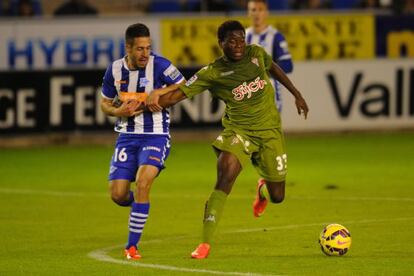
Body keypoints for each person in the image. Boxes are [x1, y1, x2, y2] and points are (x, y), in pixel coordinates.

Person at [146, 20, 309, 259]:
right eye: (231, 41)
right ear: (220, 43)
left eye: (241, 39)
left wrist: (297, 94)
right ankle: (205, 243)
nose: (238, 45)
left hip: (270, 132)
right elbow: (178, 95)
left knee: (278, 196)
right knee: (225, 173)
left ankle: (262, 189)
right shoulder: (213, 72)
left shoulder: (256, 54)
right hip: (239, 132)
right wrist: (146, 103)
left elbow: (273, 67)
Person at [100, 23, 185, 260]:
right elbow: (105, 103)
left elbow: (186, 84)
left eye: (148, 48)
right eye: (139, 49)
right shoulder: (114, 70)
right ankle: (139, 207)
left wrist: (160, 92)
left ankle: (131, 246)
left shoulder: (160, 65)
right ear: (128, 47)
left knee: (143, 182)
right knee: (118, 195)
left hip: (156, 135)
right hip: (127, 138)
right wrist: (119, 113)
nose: (145, 54)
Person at [246, 0, 293, 112]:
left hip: (270, 95)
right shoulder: (243, 37)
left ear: (266, 13)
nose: (257, 13)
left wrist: (263, 67)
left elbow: (288, 65)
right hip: (247, 95)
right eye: (253, 10)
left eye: (260, 9)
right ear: (248, 13)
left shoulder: (276, 36)